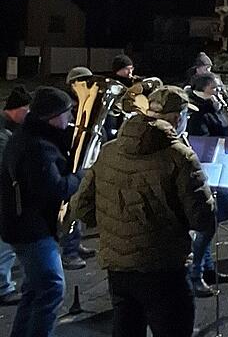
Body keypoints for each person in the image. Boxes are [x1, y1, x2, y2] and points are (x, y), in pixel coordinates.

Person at [68, 86, 215, 337]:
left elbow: (81, 207)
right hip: (164, 268)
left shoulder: (110, 149)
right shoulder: (179, 156)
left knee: (126, 329)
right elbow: (202, 220)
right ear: (178, 118)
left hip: (118, 268)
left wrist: (115, 224)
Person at [0, 87, 83, 337]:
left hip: (22, 224)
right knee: (51, 287)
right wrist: (82, 175)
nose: (71, 118)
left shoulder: (29, 136)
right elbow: (56, 188)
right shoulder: (38, 146)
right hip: (31, 228)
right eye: (67, 113)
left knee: (34, 290)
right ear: (52, 117)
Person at [184, 72, 228, 295]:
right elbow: (205, 140)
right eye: (216, 88)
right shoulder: (196, 110)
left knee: (211, 222)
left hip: (216, 168)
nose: (220, 92)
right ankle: (195, 275)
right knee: (205, 226)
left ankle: (207, 269)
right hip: (204, 169)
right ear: (206, 89)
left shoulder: (212, 106)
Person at [59, 67, 98, 271]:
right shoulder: (65, 102)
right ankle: (69, 252)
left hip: (82, 159)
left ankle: (76, 243)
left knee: (80, 204)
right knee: (72, 208)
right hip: (69, 161)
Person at [0, 86, 32, 305]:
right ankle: (3, 288)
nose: (29, 115)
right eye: (26, 110)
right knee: (4, 245)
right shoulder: (3, 135)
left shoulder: (8, 130)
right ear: (17, 110)